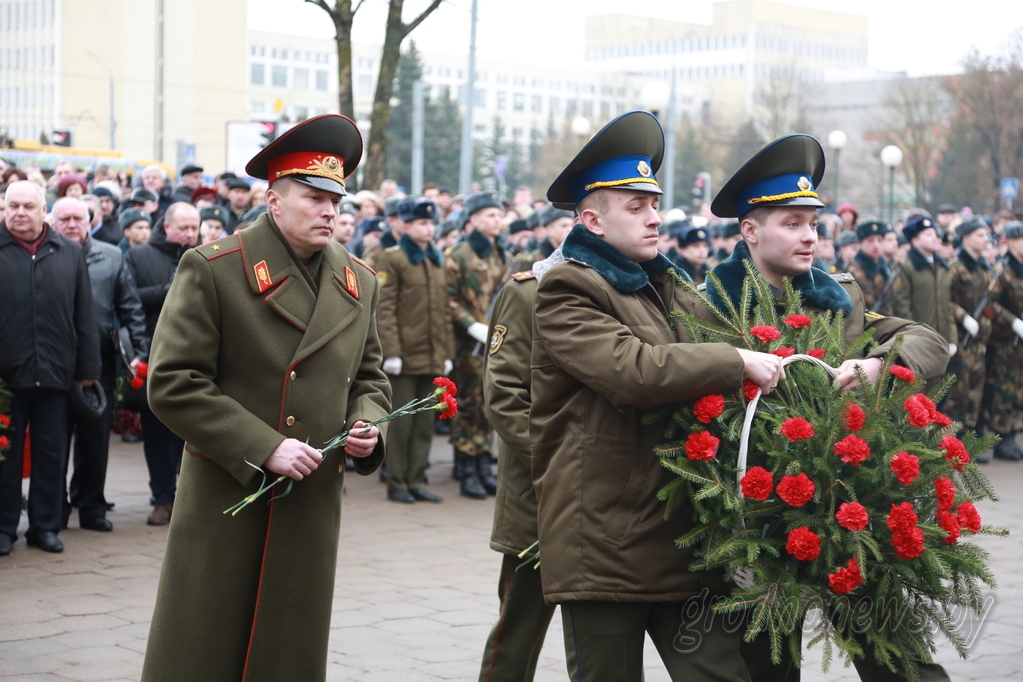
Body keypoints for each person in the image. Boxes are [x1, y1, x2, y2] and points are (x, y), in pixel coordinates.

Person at [531, 111, 786, 682]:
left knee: (721, 673)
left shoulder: (665, 284)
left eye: (654, 204)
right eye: (636, 207)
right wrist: (736, 362)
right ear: (592, 222)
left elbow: (737, 332)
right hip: (605, 537)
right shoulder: (567, 288)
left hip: (679, 531)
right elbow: (634, 370)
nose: (655, 218)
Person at [140, 114, 390, 682]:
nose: (330, 211)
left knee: (287, 648)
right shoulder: (215, 269)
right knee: (203, 645)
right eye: (313, 196)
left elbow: (371, 380)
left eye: (337, 199)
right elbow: (173, 382)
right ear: (273, 200)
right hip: (230, 491)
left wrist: (370, 426)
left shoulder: (359, 281)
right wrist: (263, 445)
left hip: (310, 502)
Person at [702, 134, 951, 682]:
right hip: (757, 521)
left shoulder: (839, 298)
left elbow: (931, 343)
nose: (810, 237)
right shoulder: (708, 309)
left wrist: (877, 365)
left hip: (842, 510)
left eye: (814, 224)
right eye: (791, 223)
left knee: (899, 662)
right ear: (749, 230)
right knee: (770, 668)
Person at [0, 182, 100, 555]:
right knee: (5, 457)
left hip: (56, 372)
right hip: (6, 379)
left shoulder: (69, 252)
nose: (20, 212)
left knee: (51, 453)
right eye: (13, 205)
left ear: (44, 210)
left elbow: (84, 315)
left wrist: (87, 369)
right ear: (4, 208)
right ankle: (4, 527)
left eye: (28, 205)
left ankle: (44, 526)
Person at [477, 248, 562, 682]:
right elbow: (505, 395)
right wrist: (563, 463)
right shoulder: (530, 290)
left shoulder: (638, 287)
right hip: (540, 489)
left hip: (609, 497)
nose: (652, 221)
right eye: (634, 208)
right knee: (521, 627)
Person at [50, 197, 148, 531]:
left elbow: (131, 307)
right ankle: (55, 509)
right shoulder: (44, 255)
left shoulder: (111, 256)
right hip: (52, 362)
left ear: (91, 220)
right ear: (52, 222)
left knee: (95, 438)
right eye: (65, 219)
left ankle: (91, 506)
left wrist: (140, 350)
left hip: (99, 361)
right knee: (55, 439)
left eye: (79, 218)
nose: (72, 224)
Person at [123, 202, 199, 525]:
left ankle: (189, 497)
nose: (190, 234)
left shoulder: (205, 254)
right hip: (154, 354)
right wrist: (167, 291)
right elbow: (128, 298)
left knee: (190, 431)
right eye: (184, 227)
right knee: (155, 431)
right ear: (165, 226)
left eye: (195, 228)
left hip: (196, 356)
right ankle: (163, 497)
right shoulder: (138, 256)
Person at [375, 197, 452, 503]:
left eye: (432, 223)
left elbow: (443, 312)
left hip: (431, 355)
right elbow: (385, 308)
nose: (428, 228)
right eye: (422, 223)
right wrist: (391, 351)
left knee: (424, 425)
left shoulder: (435, 259)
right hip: (404, 357)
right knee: (402, 425)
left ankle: (417, 480)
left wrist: (445, 354)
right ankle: (397, 483)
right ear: (406, 226)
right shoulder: (393, 259)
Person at [445, 190, 506, 499]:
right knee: (467, 403)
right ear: (474, 220)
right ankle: (466, 466)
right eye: (492, 215)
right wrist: (472, 325)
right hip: (466, 343)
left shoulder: (499, 252)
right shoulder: (458, 254)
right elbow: (449, 298)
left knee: (487, 403)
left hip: (493, 341)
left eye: (500, 215)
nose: (499, 220)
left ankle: (483, 464)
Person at [944, 217, 995, 461]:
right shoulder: (954, 267)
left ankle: (970, 440)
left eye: (986, 235)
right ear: (966, 239)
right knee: (959, 391)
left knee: (976, 389)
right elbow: (945, 300)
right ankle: (954, 442)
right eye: (980, 235)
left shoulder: (984, 268)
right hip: (961, 338)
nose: (986, 239)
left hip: (979, 339)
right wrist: (964, 317)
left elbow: (989, 303)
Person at [983, 220, 1023, 461]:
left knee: (1018, 388)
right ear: (1009, 242)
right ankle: (1001, 437)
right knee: (1003, 389)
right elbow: (988, 304)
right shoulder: (1003, 270)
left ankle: (1011, 432)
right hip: (1006, 340)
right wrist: (1012, 321)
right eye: (1018, 240)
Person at [892, 215, 957, 355]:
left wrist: (952, 338)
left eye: (934, 233)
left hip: (942, 339)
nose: (934, 237)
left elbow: (947, 305)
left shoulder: (942, 267)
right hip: (919, 341)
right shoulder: (906, 267)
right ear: (915, 241)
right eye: (928, 235)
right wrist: (913, 338)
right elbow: (902, 307)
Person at [845, 220, 894, 315]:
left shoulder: (884, 269)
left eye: (879, 240)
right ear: (860, 243)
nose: (876, 245)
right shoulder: (852, 270)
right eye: (870, 240)